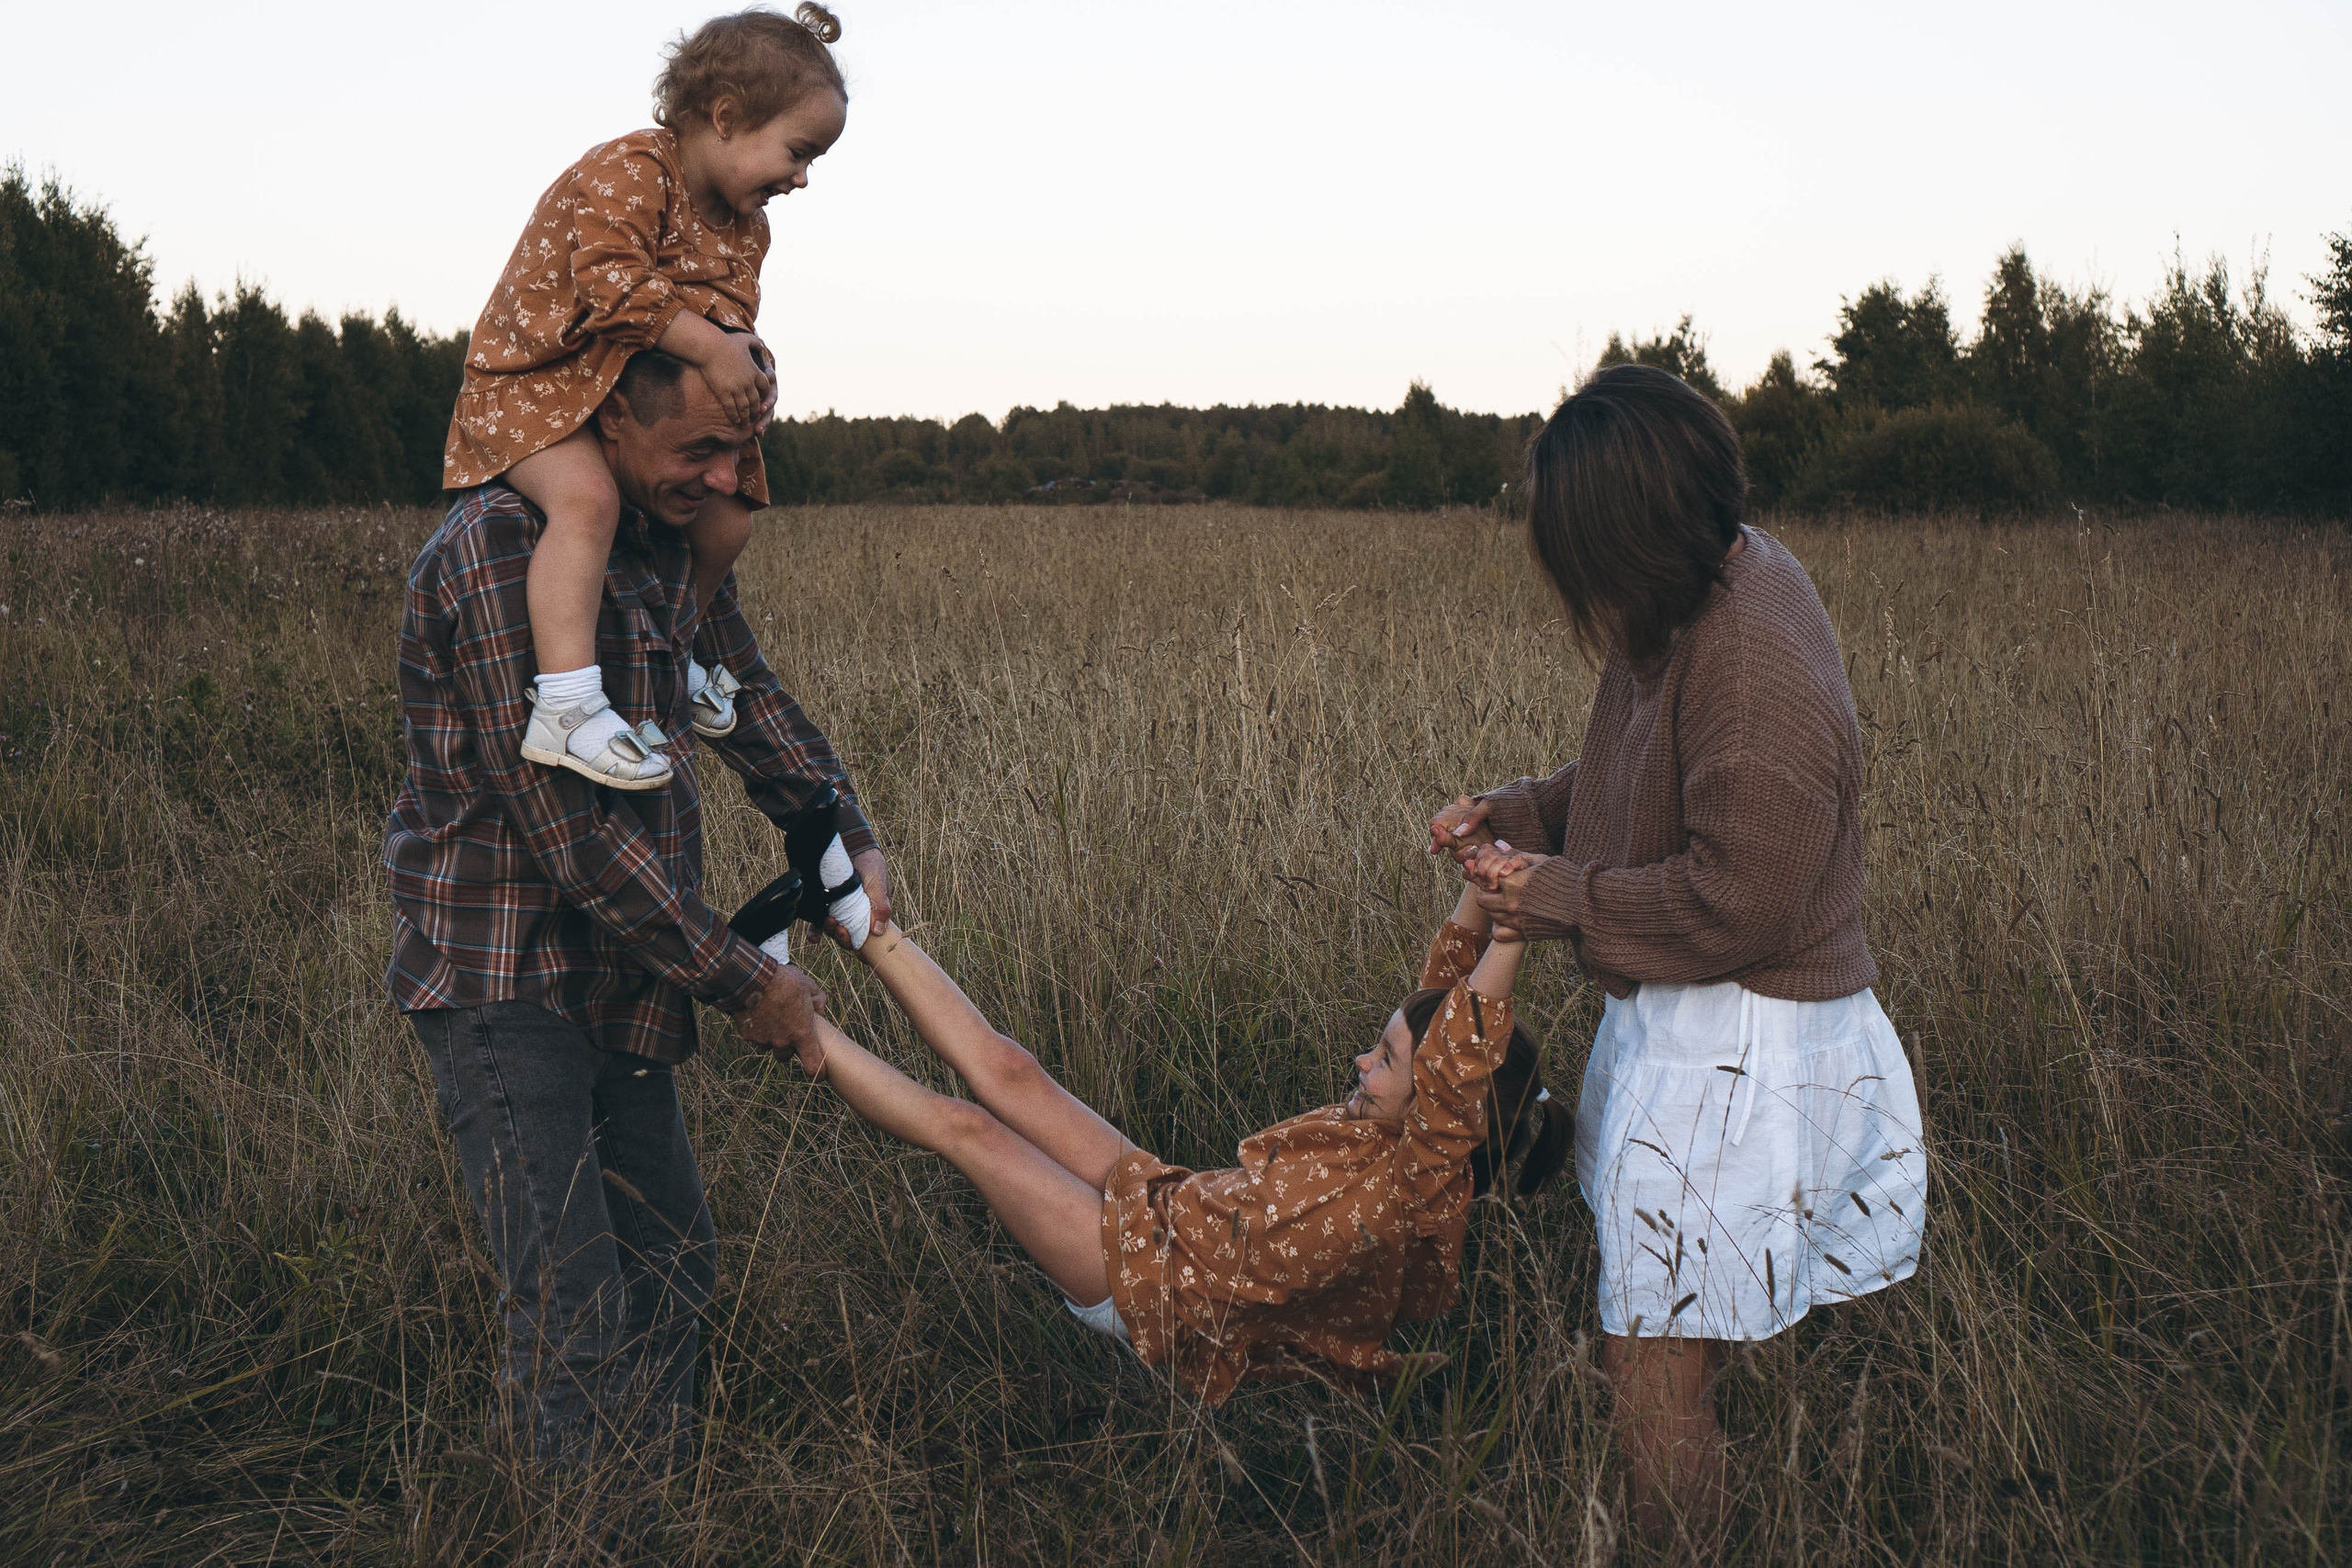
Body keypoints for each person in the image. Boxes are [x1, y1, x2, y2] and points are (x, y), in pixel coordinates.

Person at [1431, 364, 1928, 1548]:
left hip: (1740, 1041)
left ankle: (1678, 1550)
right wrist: (1518, 815)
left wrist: (1550, 895)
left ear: (1626, 534)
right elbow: (1628, 783)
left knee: (1652, 1358)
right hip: (1690, 1026)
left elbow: (1739, 898)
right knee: (1669, 1329)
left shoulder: (1749, 653)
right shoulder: (1686, 598)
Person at [385, 346, 888, 1509]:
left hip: (625, 975)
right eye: (696, 450)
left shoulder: (668, 545)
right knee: (570, 1306)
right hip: (504, 980)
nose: (721, 481)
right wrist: (741, 981)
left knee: (672, 1266)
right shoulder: (500, 552)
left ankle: (654, 1513)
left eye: (740, 454)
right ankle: (582, 1532)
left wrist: (838, 827)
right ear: (610, 414)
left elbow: (747, 692)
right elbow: (571, 834)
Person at [773, 855, 1573, 1406]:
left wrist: (1511, 938)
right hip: (1165, 1198)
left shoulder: (1418, 1183)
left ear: (1443, 1102)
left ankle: (781, 1006)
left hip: (1152, 1291)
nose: (1364, 1060)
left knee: (971, 1128)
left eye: (1387, 1059)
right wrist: (1482, 878)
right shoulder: (1398, 1124)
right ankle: (852, 913)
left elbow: (1458, 1051)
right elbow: (1444, 992)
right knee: (1010, 1068)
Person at [442, 5, 851, 790]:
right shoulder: (631, 170)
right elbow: (611, 289)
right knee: (589, 502)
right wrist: (707, 348)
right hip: (536, 385)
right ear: (727, 119)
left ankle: (670, 655)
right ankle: (565, 705)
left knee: (729, 520)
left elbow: (728, 324)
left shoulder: (747, 226)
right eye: (798, 153)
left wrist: (753, 372)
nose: (801, 178)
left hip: (620, 383)